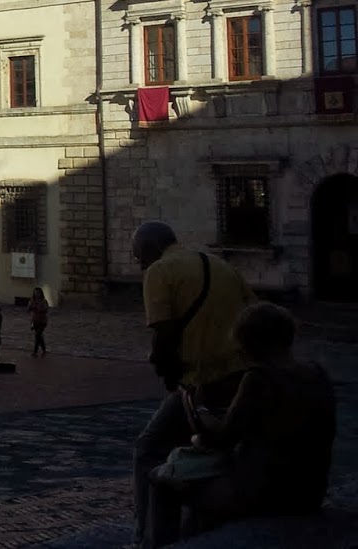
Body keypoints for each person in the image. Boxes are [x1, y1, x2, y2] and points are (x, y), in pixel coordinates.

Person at [150, 302, 336, 543]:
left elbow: (218, 439)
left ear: (251, 343)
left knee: (161, 481)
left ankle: (156, 544)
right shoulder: (317, 373)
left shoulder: (258, 378)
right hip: (310, 493)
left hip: (266, 495)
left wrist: (195, 405)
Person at [131, 220, 256, 549]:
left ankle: (147, 536)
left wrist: (162, 366)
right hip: (242, 378)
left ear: (151, 248)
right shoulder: (222, 266)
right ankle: (194, 525)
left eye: (139, 256)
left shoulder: (160, 271)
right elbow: (254, 313)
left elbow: (163, 332)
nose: (139, 264)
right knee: (206, 450)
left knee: (149, 448)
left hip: (200, 381)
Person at [28, 286, 50, 356]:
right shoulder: (32, 300)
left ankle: (35, 351)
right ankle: (43, 350)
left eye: (38, 293)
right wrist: (31, 307)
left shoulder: (43, 301)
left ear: (41, 294)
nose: (36, 294)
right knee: (39, 336)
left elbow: (46, 309)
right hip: (35, 320)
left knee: (38, 335)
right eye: (35, 293)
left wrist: (39, 308)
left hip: (42, 321)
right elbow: (28, 309)